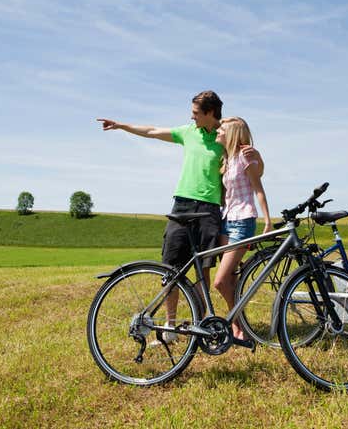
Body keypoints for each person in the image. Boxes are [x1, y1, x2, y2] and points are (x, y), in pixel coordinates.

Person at [96, 91, 260, 343]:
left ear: (210, 113)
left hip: (210, 211)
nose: (191, 117)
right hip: (181, 206)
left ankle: (201, 325)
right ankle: (170, 327)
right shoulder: (188, 133)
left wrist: (258, 162)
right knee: (170, 269)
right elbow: (151, 131)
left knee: (203, 274)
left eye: (196, 113)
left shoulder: (224, 136)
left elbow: (250, 168)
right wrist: (121, 126)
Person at [212, 117, 272, 341]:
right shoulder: (226, 159)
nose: (218, 131)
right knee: (231, 280)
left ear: (233, 134)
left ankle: (237, 323)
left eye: (222, 129)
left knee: (219, 282)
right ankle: (239, 327)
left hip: (243, 221)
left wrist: (267, 220)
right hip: (226, 221)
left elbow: (259, 189)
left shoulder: (246, 157)